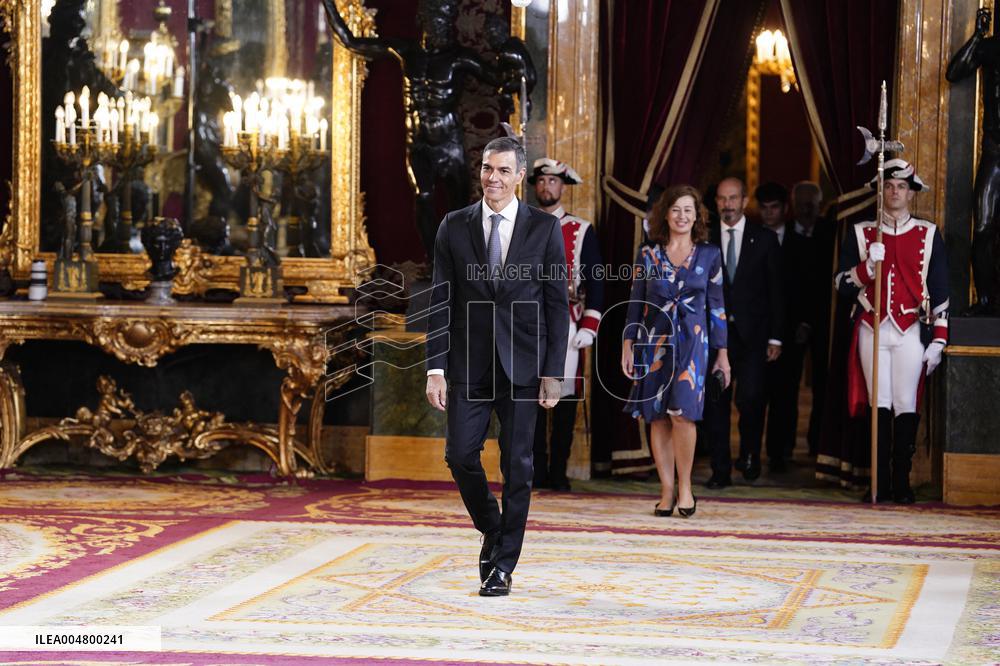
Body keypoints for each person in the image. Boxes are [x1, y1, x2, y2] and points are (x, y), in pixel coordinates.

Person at [425, 137, 569, 597]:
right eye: (488, 168)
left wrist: (553, 372)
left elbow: (556, 305)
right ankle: (494, 526)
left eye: (504, 170)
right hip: (468, 364)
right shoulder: (454, 225)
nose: (494, 178)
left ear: (519, 176)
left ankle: (503, 566)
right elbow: (441, 300)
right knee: (459, 455)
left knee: (518, 465)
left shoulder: (544, 229)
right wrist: (434, 368)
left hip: (524, 366)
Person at [322, 0, 532, 258]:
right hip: (418, 142)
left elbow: (502, 80)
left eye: (444, 23)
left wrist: (514, 52)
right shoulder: (406, 51)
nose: (440, 28)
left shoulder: (458, 58)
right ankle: (433, 259)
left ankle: (458, 259)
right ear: (424, 22)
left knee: (459, 206)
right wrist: (329, 4)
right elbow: (351, 42)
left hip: (450, 142)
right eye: (436, 22)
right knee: (423, 197)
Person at [834, 159, 948, 504]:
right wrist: (868, 267)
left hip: (911, 328)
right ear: (881, 191)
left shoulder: (928, 233)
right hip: (872, 326)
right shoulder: (861, 232)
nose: (895, 192)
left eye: (901, 186)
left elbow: (940, 290)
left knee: (905, 403)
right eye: (889, 186)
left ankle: (902, 481)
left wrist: (939, 338)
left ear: (911, 193)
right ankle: (879, 482)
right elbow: (841, 285)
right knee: (879, 403)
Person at [622, 185, 730, 518]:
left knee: (683, 413)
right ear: (665, 214)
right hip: (653, 343)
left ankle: (685, 487)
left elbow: (717, 307)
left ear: (697, 216)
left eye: (688, 210)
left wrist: (723, 355)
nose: (682, 216)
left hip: (694, 345)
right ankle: (666, 490)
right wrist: (627, 343)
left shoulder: (710, 255)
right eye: (675, 209)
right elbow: (636, 301)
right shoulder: (648, 254)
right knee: (657, 417)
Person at [527, 158, 604, 492]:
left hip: (568, 323)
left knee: (565, 398)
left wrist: (589, 325)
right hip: (527, 324)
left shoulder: (581, 229)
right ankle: (534, 472)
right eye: (542, 181)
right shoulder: (520, 225)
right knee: (528, 398)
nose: (547, 186)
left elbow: (597, 282)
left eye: (553, 181)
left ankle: (558, 471)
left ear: (563, 187)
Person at [703, 177, 784, 488]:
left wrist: (776, 337)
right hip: (715, 336)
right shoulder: (704, 239)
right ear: (716, 202)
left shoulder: (764, 239)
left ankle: (750, 454)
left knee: (751, 399)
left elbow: (777, 291)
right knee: (716, 403)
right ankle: (720, 470)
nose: (728, 205)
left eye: (733, 198)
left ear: (745, 201)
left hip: (754, 337)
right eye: (722, 199)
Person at [946, 7, 1000, 314]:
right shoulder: (991, 48)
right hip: (995, 151)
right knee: (982, 227)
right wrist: (978, 36)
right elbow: (954, 72)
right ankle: (985, 301)